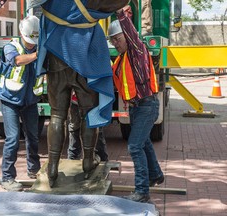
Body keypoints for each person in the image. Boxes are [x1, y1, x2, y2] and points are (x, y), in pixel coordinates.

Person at [32, 0, 129, 187]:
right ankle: (87, 161)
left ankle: (52, 166)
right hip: (85, 55)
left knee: (57, 114)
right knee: (88, 112)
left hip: (57, 53)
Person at [108, 5, 164, 203]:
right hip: (136, 106)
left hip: (146, 105)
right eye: (112, 40)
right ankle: (155, 175)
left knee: (134, 146)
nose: (115, 43)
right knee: (144, 142)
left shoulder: (136, 49)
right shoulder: (121, 60)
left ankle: (141, 191)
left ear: (127, 36)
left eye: (117, 38)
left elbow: (130, 32)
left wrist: (120, 13)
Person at [0, 16, 41, 191]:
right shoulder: (11, 47)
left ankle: (34, 169)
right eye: (29, 41)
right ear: (22, 34)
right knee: (13, 138)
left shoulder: (38, 47)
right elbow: (16, 60)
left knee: (33, 137)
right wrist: (36, 55)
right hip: (10, 100)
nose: (31, 44)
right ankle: (7, 177)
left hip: (29, 100)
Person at [67, 93, 109, 162]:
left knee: (76, 129)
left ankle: (73, 158)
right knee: (94, 129)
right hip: (87, 99)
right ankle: (102, 159)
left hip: (83, 99)